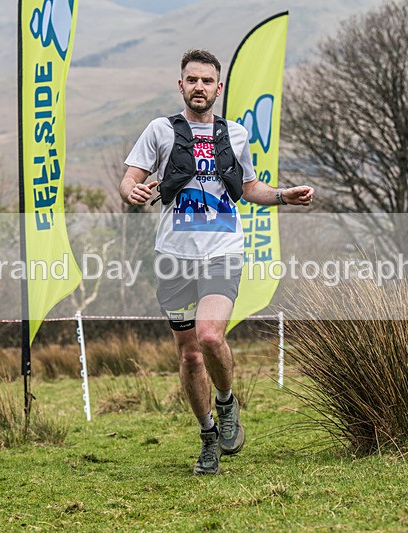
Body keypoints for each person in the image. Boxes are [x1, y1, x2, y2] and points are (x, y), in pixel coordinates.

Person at [119, 49, 314, 475]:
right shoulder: (161, 131)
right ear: (181, 85)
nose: (199, 87)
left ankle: (227, 404)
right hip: (173, 258)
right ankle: (208, 434)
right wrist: (130, 191)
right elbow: (131, 177)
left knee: (209, 337)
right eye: (192, 80)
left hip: (222, 251)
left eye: (207, 81)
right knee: (189, 355)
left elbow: (249, 188)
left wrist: (283, 195)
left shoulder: (236, 135)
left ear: (218, 87)